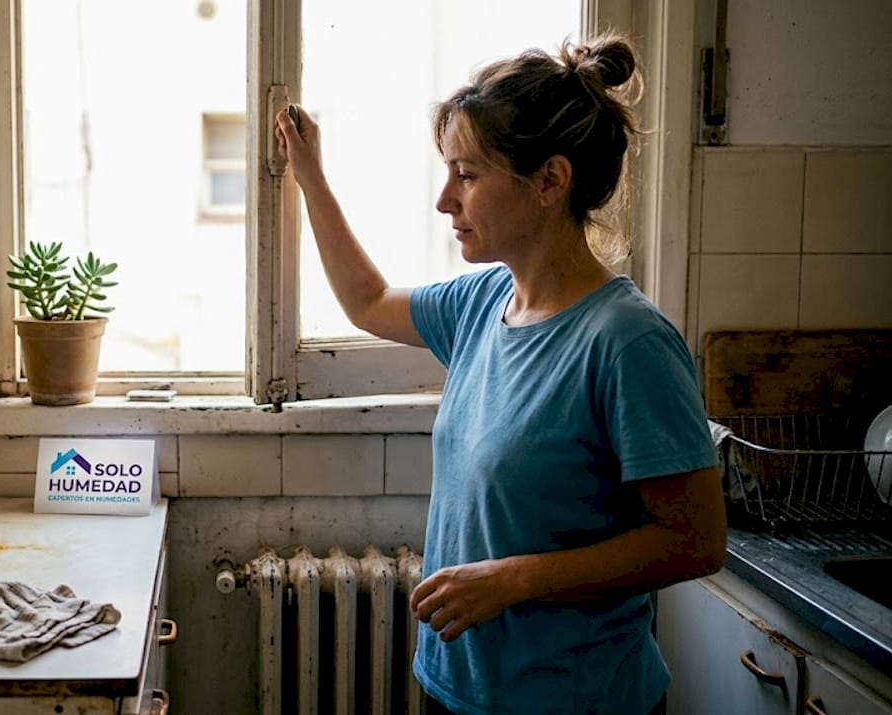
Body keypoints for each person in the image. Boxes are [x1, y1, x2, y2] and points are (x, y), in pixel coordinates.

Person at [274, 33, 726, 715]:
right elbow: (367, 301)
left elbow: (694, 542)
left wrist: (514, 579)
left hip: (572, 698)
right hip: (458, 682)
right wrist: (310, 176)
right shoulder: (483, 301)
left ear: (549, 180)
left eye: (468, 174)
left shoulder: (628, 342)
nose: (444, 201)